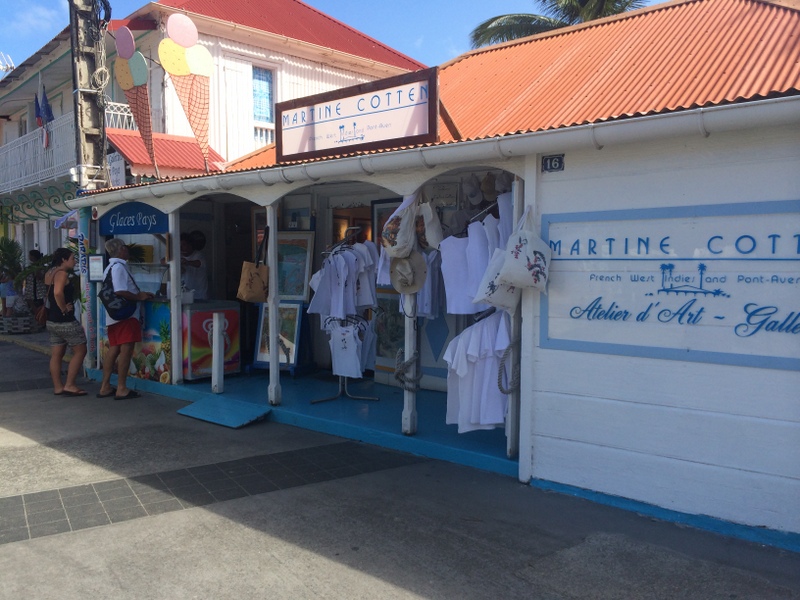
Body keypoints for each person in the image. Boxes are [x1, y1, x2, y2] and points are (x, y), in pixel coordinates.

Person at [97, 239, 154, 400]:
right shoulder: (119, 267)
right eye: (125, 247)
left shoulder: (110, 267)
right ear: (120, 249)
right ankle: (121, 387)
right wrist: (139, 296)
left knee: (114, 348)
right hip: (126, 315)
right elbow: (120, 290)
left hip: (114, 315)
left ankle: (105, 386)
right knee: (126, 349)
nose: (127, 249)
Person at [44, 248, 88, 396]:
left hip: (52, 320)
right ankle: (70, 384)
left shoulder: (49, 273)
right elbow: (57, 292)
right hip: (65, 321)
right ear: (63, 260)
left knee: (57, 354)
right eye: (72, 258)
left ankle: (58, 387)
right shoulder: (62, 274)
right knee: (81, 350)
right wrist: (63, 308)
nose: (75, 261)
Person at [180, 231, 208, 300]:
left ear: (190, 245)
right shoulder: (179, 255)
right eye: (179, 245)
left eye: (183, 245)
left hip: (200, 296)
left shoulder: (199, 255)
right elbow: (163, 261)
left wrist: (187, 262)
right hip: (185, 296)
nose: (181, 248)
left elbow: (199, 263)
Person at [24, 249, 46, 314]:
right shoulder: (29, 267)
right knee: (32, 307)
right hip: (30, 291)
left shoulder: (41, 267)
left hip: (39, 291)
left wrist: (36, 269)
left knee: (40, 308)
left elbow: (39, 277)